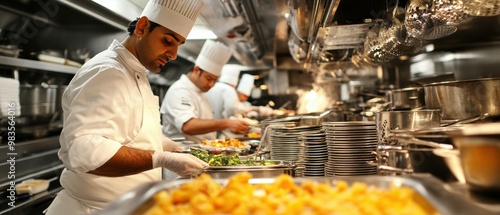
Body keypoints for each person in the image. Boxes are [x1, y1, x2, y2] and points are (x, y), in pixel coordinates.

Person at [45, 1, 208, 214]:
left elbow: (126, 133)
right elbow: (86, 152)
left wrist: (165, 144)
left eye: (179, 45)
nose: (174, 54)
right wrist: (161, 158)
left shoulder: (135, 72)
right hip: (95, 209)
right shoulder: (108, 72)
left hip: (125, 207)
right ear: (142, 28)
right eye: (168, 40)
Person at [160, 40, 250, 143]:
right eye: (209, 78)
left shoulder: (200, 92)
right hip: (182, 152)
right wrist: (227, 123)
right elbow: (188, 126)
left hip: (201, 150)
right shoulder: (179, 91)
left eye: (215, 80)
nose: (211, 84)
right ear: (196, 70)